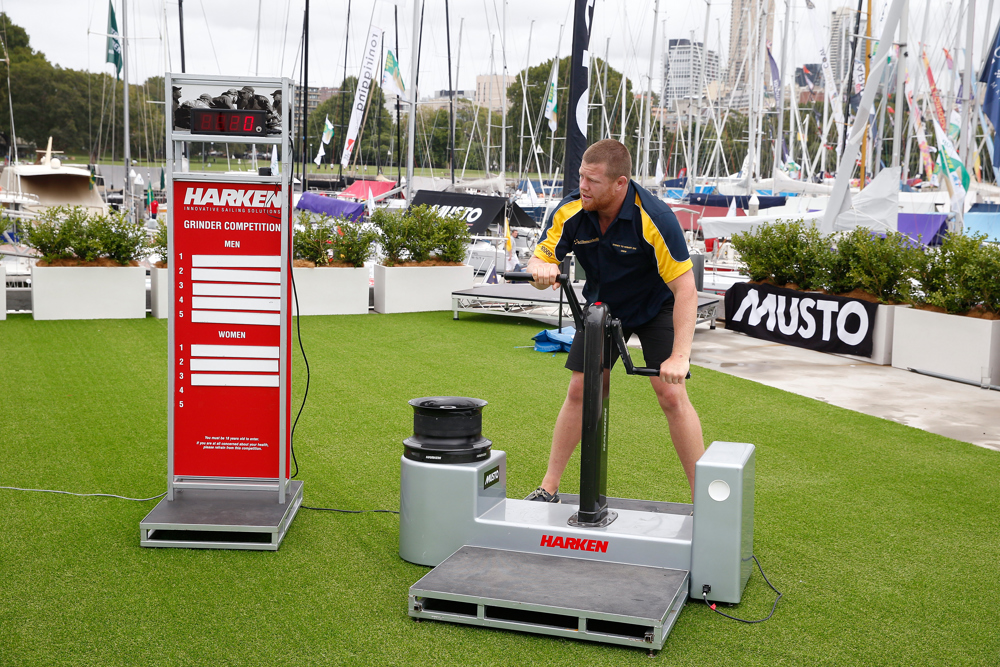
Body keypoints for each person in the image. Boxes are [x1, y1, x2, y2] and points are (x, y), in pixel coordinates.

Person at [524, 139, 704, 502]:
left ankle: (705, 500)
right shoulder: (572, 210)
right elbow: (536, 261)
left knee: (671, 393)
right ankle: (548, 488)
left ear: (620, 183)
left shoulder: (656, 218)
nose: (583, 187)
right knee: (583, 390)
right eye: (581, 177)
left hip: (657, 306)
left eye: (593, 180)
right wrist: (540, 270)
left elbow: (687, 291)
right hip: (602, 308)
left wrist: (680, 356)